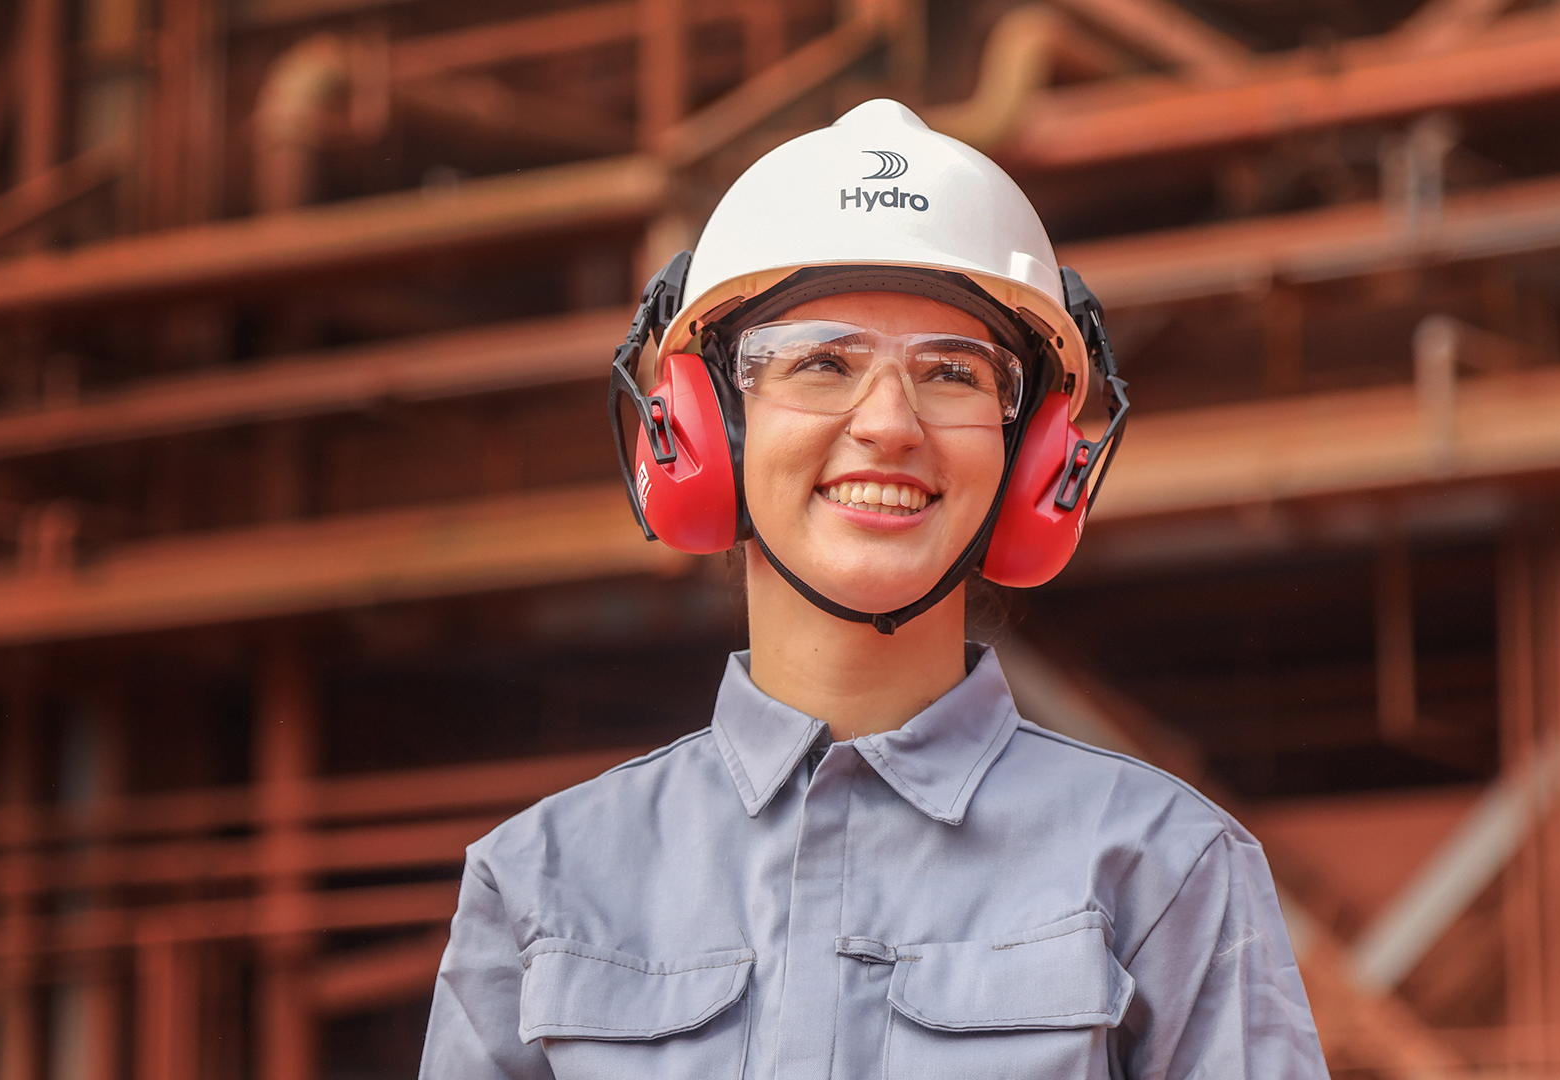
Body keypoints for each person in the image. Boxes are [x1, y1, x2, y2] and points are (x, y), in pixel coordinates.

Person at [419, 99, 1328, 1080]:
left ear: (1032, 462)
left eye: (952, 373)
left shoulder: (1168, 871)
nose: (889, 423)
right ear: (703, 433)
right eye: (821, 361)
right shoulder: (540, 886)